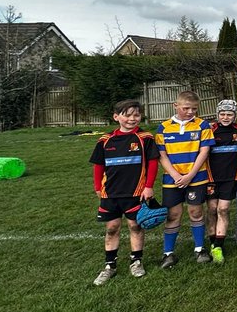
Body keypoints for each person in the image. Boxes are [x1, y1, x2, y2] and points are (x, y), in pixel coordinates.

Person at [89, 98, 159, 284]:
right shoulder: (105, 140)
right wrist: (98, 187)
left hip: (135, 192)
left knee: (135, 226)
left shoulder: (145, 138)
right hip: (110, 193)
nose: (132, 118)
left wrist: (149, 186)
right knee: (112, 228)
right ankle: (109, 266)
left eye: (136, 115)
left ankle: (136, 261)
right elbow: (98, 165)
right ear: (116, 117)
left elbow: (153, 163)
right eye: (127, 115)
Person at [155, 90, 214, 269]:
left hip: (196, 177)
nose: (190, 112)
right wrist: (175, 175)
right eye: (186, 108)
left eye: (194, 109)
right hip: (172, 179)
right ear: (176, 106)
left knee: (196, 212)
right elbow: (161, 155)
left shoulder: (203, 125)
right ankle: (168, 253)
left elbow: (204, 152)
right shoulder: (163, 127)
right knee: (173, 214)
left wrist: (189, 175)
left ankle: (199, 248)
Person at [205, 99, 237, 264]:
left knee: (223, 209)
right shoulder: (209, 130)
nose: (226, 117)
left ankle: (218, 246)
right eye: (222, 114)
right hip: (211, 178)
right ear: (217, 115)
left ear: (235, 116)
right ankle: (212, 241)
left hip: (230, 178)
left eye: (229, 114)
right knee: (212, 209)